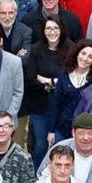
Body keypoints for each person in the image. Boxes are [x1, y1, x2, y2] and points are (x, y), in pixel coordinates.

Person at [25, 15, 73, 167]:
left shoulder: (71, 49)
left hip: (62, 107)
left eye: (55, 28)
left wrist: (46, 80)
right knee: (40, 145)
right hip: (40, 106)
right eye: (48, 28)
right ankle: (38, 175)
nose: (52, 32)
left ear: (61, 30)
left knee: (58, 144)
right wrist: (53, 83)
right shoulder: (35, 50)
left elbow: (70, 78)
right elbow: (31, 79)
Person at [46, 39, 92, 145]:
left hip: (83, 132)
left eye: (90, 57)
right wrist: (51, 130)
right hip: (61, 129)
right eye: (83, 53)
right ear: (77, 53)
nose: (85, 58)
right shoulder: (64, 74)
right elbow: (56, 103)